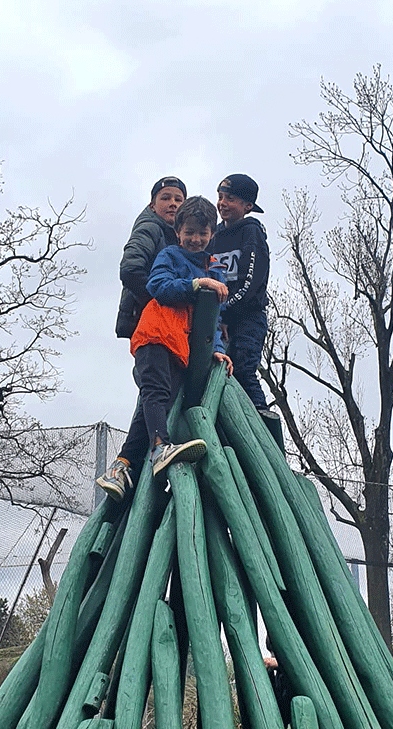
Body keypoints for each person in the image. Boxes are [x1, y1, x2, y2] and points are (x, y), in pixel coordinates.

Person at [97, 196, 232, 501]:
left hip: (180, 347)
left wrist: (218, 348)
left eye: (202, 233)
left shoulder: (214, 267)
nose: (195, 239)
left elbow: (214, 318)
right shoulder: (170, 255)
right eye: (189, 232)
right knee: (156, 395)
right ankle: (160, 449)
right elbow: (159, 287)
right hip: (156, 335)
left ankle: (121, 466)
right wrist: (198, 284)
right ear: (178, 232)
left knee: (152, 403)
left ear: (212, 233)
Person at [211, 174, 282, 449]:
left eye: (230, 198)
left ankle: (265, 431)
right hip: (220, 318)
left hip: (248, 316)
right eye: (220, 197)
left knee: (243, 368)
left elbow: (253, 280)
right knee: (219, 370)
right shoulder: (214, 235)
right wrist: (218, 317)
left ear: (247, 205)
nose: (222, 203)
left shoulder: (251, 232)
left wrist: (227, 312)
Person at [115, 176, 187, 339]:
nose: (173, 203)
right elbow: (130, 269)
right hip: (148, 319)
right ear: (152, 206)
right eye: (165, 198)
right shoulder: (150, 228)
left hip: (168, 322)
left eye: (178, 199)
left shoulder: (179, 236)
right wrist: (160, 298)